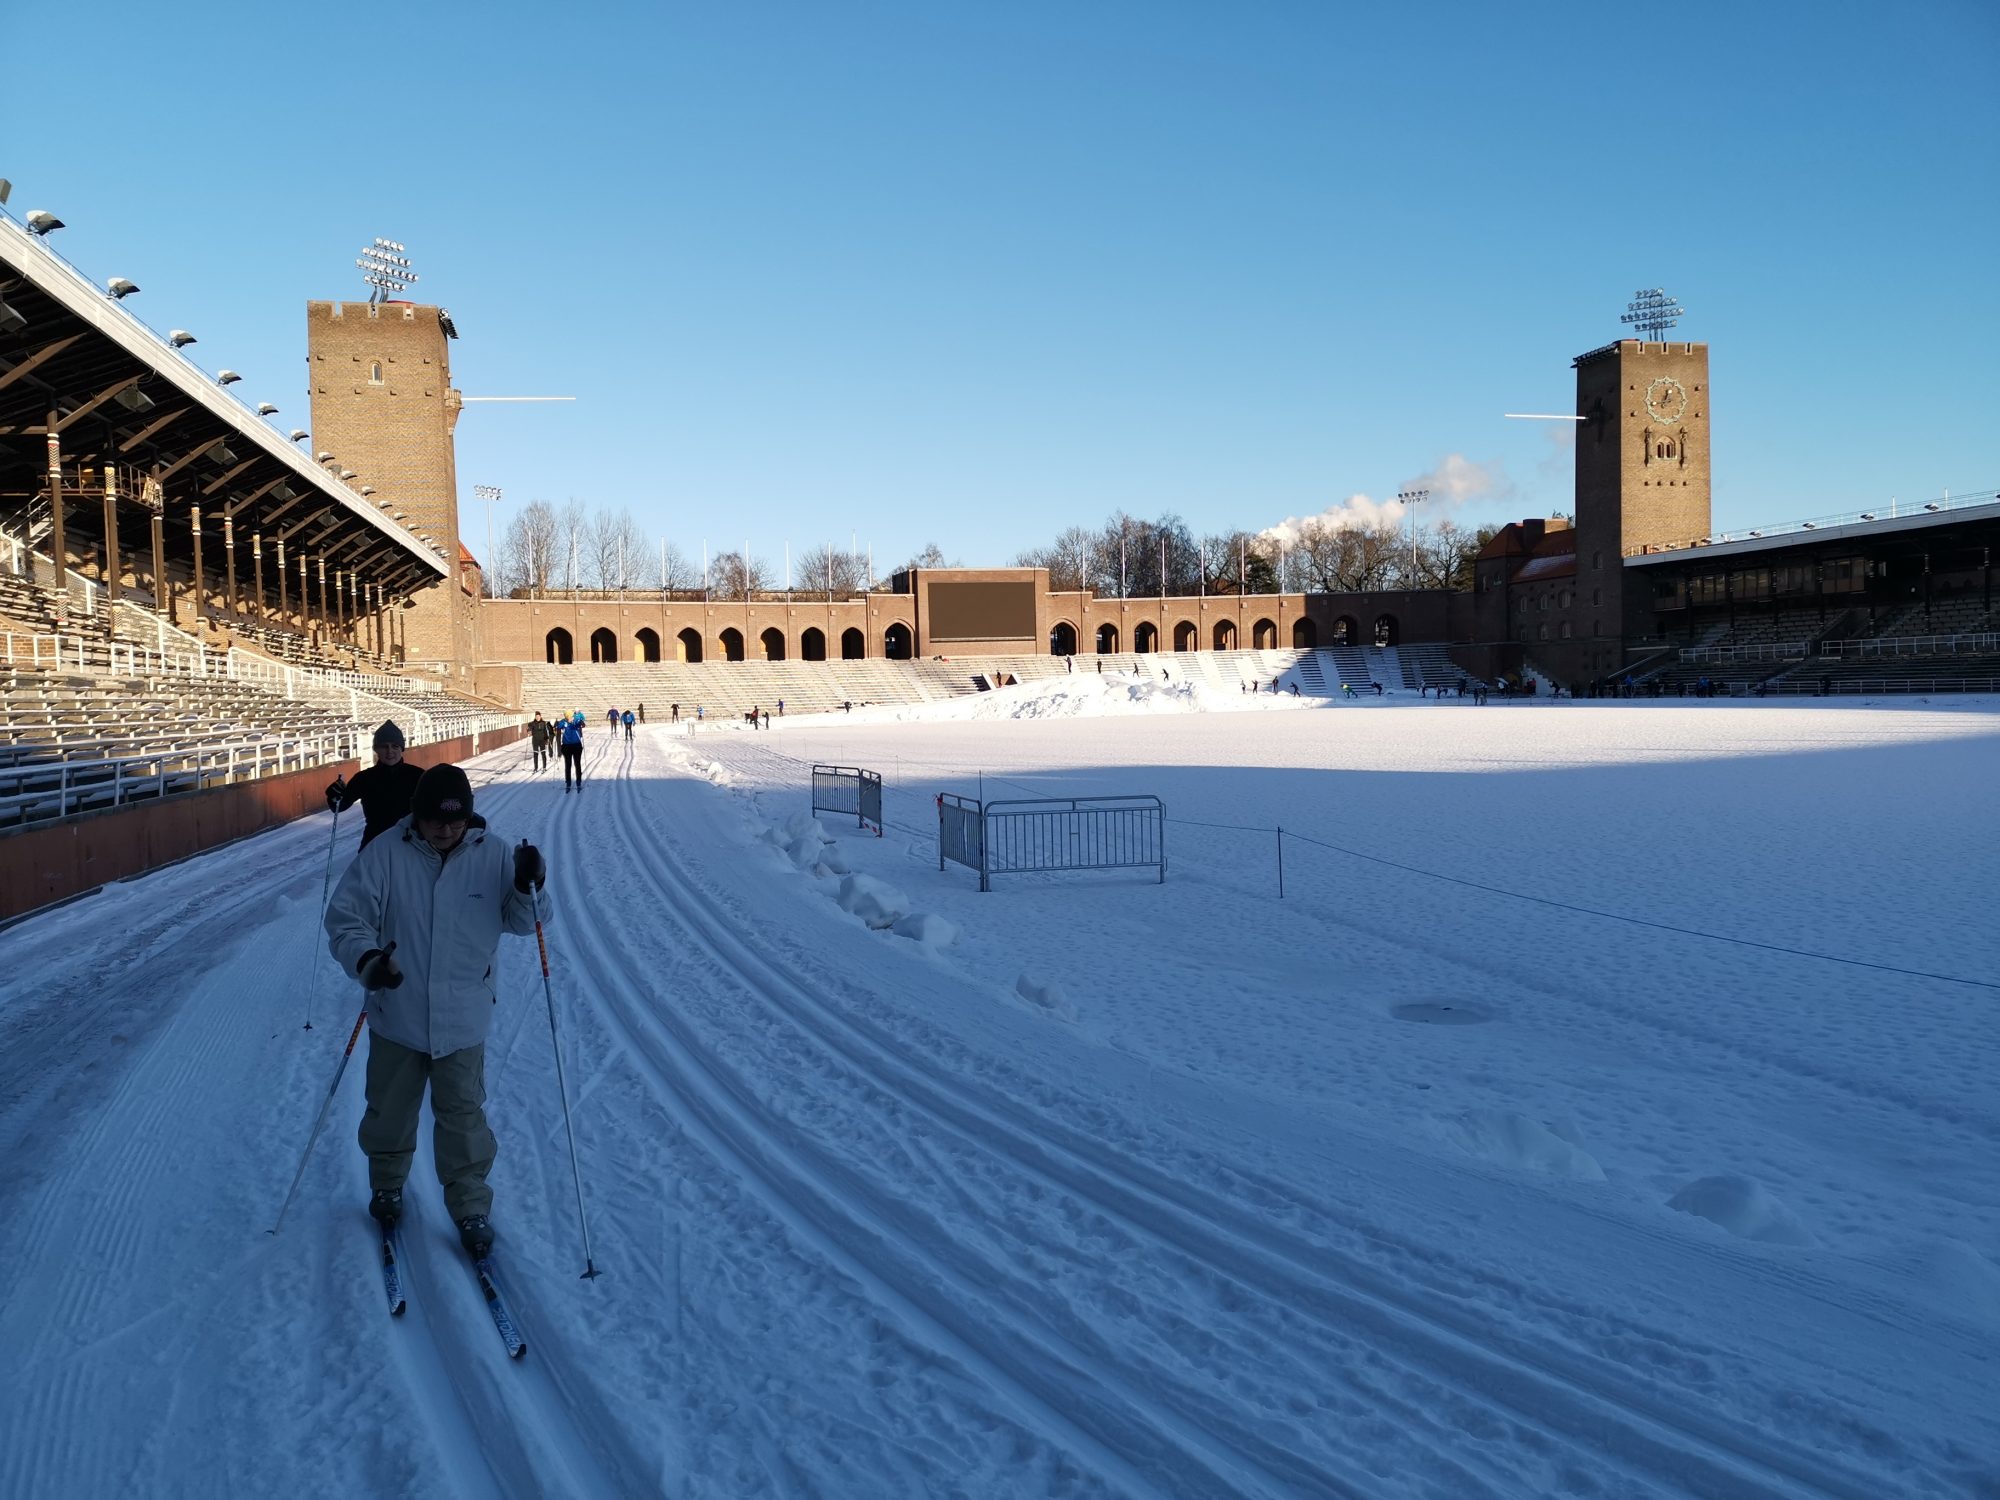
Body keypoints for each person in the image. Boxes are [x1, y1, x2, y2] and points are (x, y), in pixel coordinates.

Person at [324, 763, 549, 1259]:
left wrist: (531, 883)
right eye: (435, 820)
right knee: (389, 1113)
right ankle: (387, 1185)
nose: (446, 830)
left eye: (456, 820)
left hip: (463, 1020)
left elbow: (523, 920)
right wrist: (367, 960)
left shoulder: (493, 855)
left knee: (463, 1119)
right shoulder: (386, 853)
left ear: (469, 817)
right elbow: (344, 917)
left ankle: (471, 1206)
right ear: (417, 816)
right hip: (397, 1014)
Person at [326, 721, 424, 849]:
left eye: (395, 746)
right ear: (376, 749)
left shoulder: (418, 775)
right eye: (384, 746)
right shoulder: (364, 778)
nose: (389, 751)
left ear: (402, 749)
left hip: (409, 843)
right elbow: (339, 807)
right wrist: (334, 795)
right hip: (375, 843)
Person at [559, 710, 585, 793]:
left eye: (570, 716)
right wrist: (556, 724)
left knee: (577, 764)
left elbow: (581, 725)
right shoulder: (563, 722)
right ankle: (568, 783)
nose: (569, 718)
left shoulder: (576, 721)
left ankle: (579, 782)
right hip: (567, 746)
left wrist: (581, 723)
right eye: (568, 716)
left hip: (576, 745)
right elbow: (559, 726)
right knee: (568, 765)